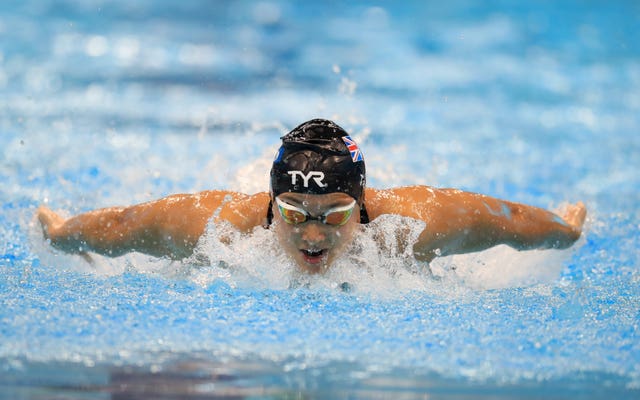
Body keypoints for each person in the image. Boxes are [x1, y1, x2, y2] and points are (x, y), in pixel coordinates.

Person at [36, 118, 586, 274]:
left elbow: (505, 219)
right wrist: (64, 234)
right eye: (295, 214)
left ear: (362, 203)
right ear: (272, 204)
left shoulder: (414, 227)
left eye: (335, 214)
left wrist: (564, 230)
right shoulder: (221, 227)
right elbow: (128, 226)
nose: (314, 234)